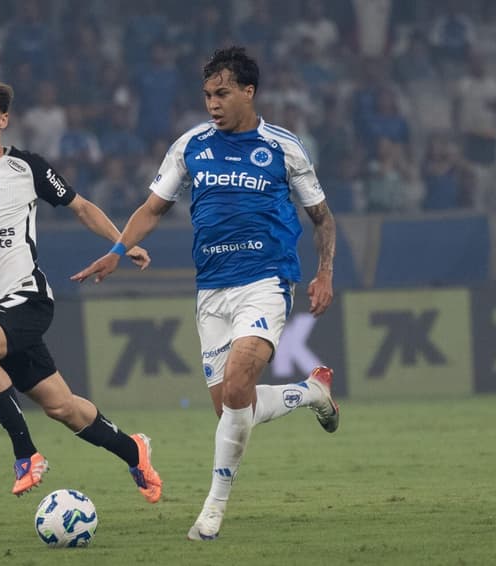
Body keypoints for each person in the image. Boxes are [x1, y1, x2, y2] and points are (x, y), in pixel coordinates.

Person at [72, 47, 339, 540]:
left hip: (266, 279)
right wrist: (116, 250)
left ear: (248, 92)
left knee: (238, 383)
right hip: (212, 289)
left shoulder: (283, 147)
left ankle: (212, 511)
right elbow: (153, 208)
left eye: (222, 93)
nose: (212, 103)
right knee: (232, 408)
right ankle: (310, 392)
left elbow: (322, 218)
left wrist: (324, 273)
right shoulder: (190, 145)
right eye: (207, 95)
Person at [0, 77, 162, 502]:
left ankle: (26, 455)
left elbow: (81, 207)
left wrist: (122, 245)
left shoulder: (26, 167)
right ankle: (134, 451)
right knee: (62, 407)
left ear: (3, 120)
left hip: (26, 297)